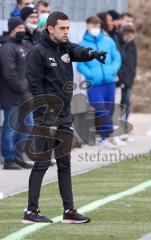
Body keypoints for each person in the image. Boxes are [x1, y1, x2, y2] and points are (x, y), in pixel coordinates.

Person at [22, 11, 106, 224]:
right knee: (41, 164)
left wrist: (93, 53)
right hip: (46, 117)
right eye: (62, 28)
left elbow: (78, 50)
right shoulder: (38, 52)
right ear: (50, 28)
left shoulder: (65, 47)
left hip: (64, 117)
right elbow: (35, 86)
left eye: (68, 28)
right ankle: (31, 212)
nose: (66, 31)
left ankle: (69, 210)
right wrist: (45, 114)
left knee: (64, 164)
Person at [77, 16, 123, 148]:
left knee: (109, 109)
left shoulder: (108, 41)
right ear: (87, 26)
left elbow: (116, 57)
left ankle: (104, 138)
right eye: (93, 26)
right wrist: (90, 74)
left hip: (109, 82)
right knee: (100, 108)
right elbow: (80, 65)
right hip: (94, 84)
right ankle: (110, 134)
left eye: (97, 26)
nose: (95, 28)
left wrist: (112, 70)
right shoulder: (82, 44)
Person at [0, 18, 33, 170]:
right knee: (10, 127)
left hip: (26, 94)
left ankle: (19, 156)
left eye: (23, 27)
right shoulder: (7, 47)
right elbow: (9, 73)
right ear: (12, 28)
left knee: (27, 124)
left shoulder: (25, 45)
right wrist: (21, 88)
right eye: (19, 27)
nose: (22, 30)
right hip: (12, 95)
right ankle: (9, 159)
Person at [118, 24, 137, 130]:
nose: (129, 35)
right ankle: (121, 127)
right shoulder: (121, 46)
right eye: (127, 32)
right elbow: (121, 65)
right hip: (121, 81)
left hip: (128, 81)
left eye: (131, 32)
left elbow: (133, 65)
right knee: (123, 104)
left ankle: (123, 126)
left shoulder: (132, 46)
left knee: (127, 104)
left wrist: (131, 78)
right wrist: (121, 79)